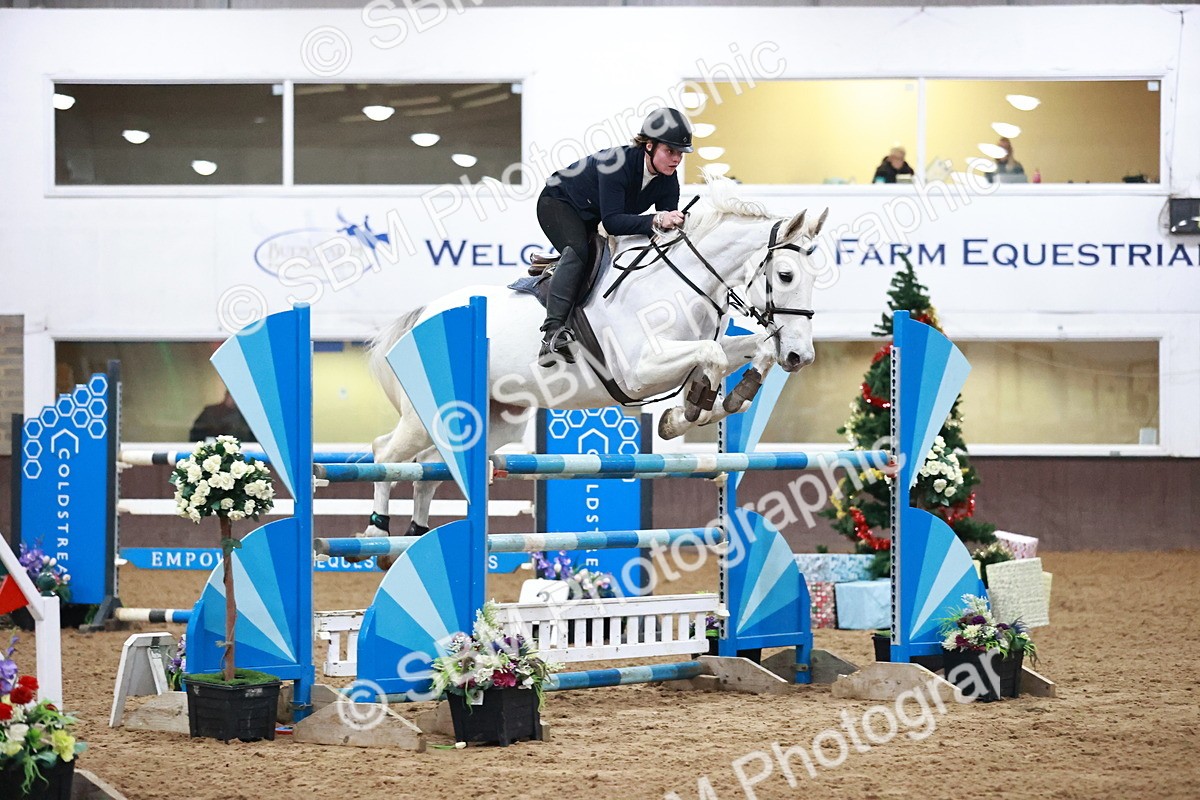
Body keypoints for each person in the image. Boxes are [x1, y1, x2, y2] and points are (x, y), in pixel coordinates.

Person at [535, 107, 692, 367]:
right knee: (579, 251)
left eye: (680, 153)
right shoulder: (615, 164)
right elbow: (613, 222)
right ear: (649, 145)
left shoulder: (668, 179)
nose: (676, 159)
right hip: (558, 202)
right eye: (670, 151)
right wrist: (657, 219)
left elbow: (664, 231)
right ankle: (552, 335)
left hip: (591, 213)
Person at [189, 391, 254, 442]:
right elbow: (197, 432)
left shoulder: (246, 414)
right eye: (231, 395)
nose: (234, 399)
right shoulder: (211, 412)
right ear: (226, 395)